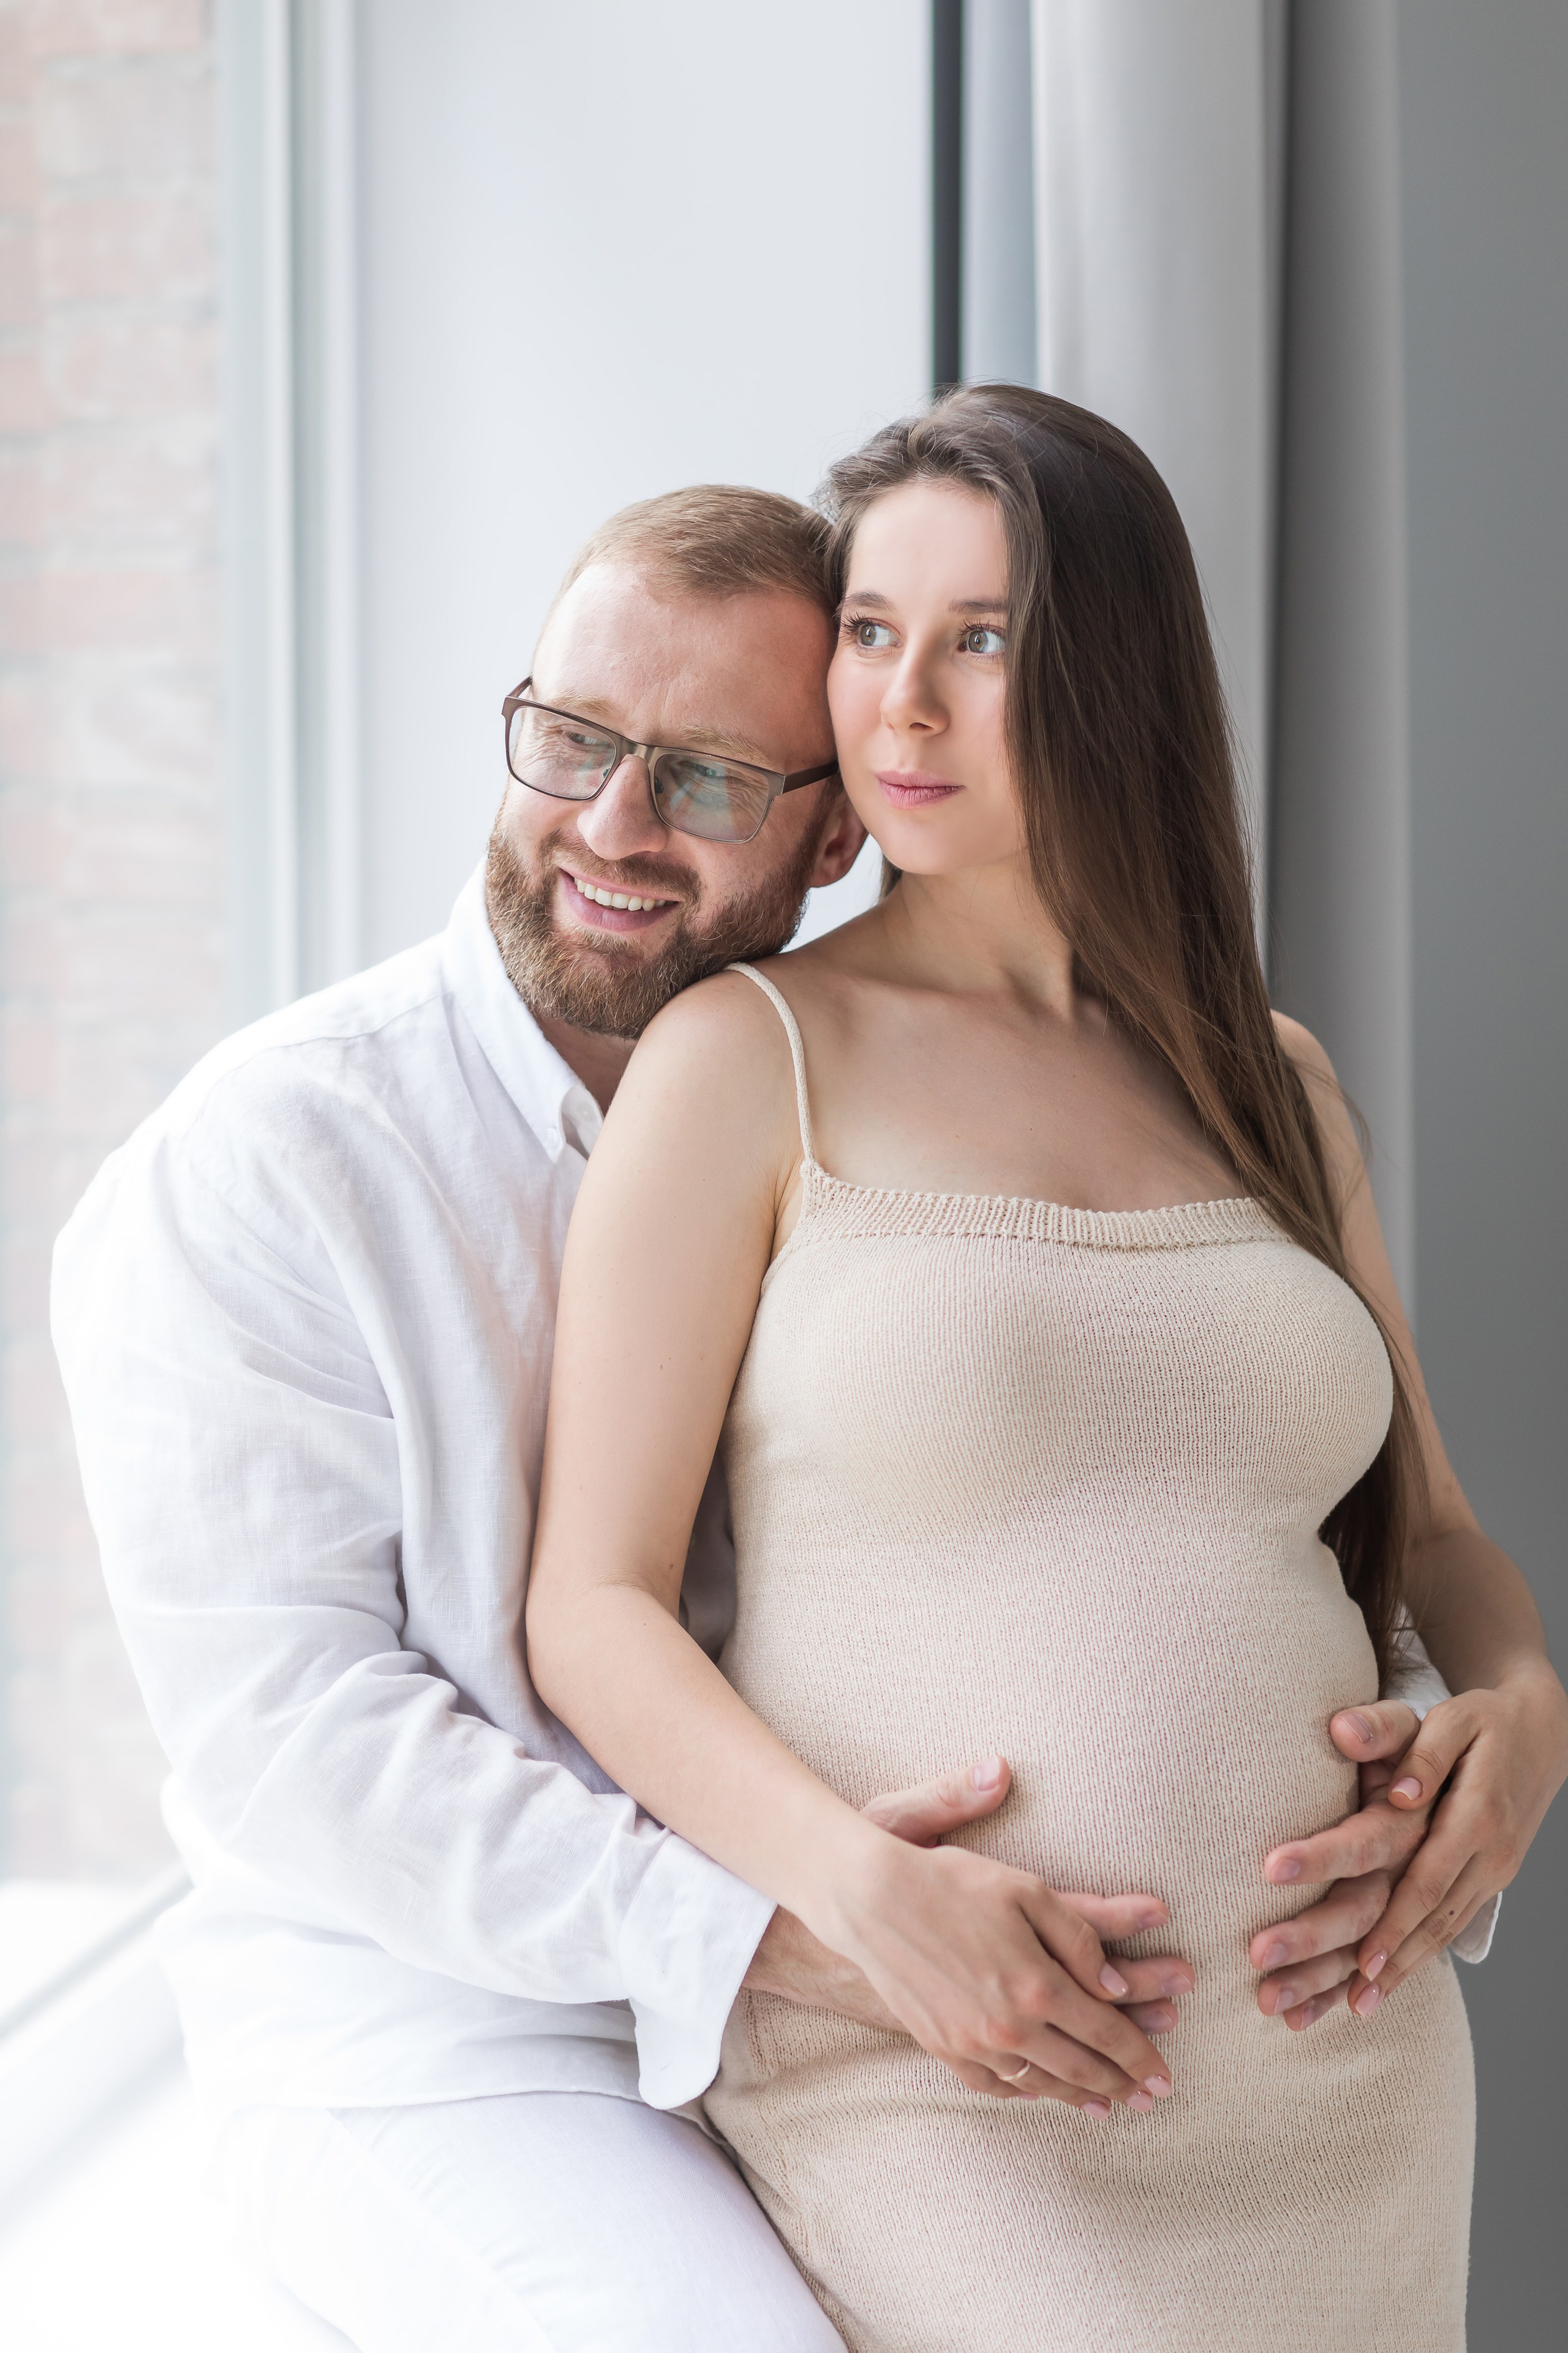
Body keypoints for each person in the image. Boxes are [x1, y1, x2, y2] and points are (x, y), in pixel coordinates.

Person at [51, 478, 1536, 2353]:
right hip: (465, 2035)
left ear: (825, 823)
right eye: (573, 739)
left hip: (1092, 2030)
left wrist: (1495, 1710)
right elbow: (303, 1747)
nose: (610, 823)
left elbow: (1278, 1510)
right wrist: (796, 1931)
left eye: (703, 777)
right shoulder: (271, 1166)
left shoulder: (1080, 1079)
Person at [526, 393, 1568, 2352]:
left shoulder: (1274, 1078)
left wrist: (1525, 1705)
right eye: (869, 632)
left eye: (982, 639)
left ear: (1117, 671)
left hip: (1345, 2078)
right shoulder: (747, 1061)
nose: (902, 704)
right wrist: (854, 1896)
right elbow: (592, 1607)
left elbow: (1433, 1530)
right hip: (956, 2074)